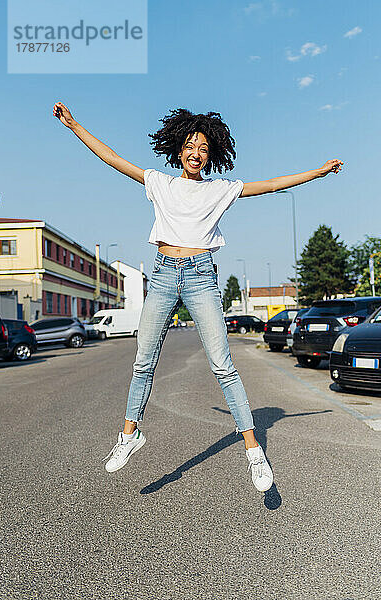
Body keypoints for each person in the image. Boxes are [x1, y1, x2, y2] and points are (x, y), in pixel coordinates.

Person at [53, 102, 343, 492]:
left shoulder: (221, 190)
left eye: (204, 148)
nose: (196, 152)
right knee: (143, 360)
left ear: (211, 156)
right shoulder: (159, 182)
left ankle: (255, 451)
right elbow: (113, 159)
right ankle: (129, 436)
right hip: (162, 274)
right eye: (190, 145)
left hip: (201, 277)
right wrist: (74, 125)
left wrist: (317, 172)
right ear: (178, 150)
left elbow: (272, 184)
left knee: (223, 366)